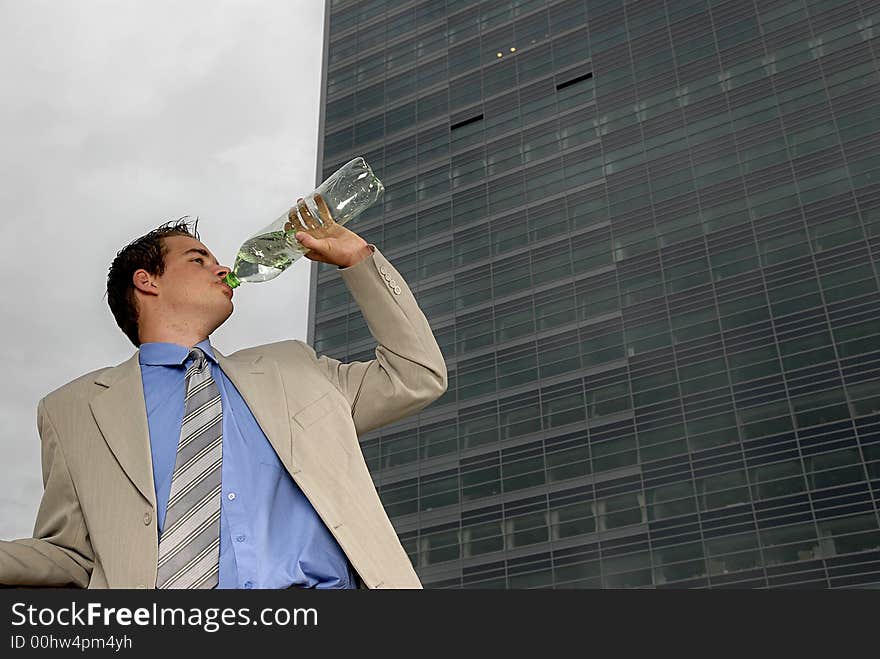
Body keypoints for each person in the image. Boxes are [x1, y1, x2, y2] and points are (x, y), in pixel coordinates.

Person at [0, 216, 446, 589]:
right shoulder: (73, 410)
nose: (222, 269)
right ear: (146, 281)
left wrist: (357, 262)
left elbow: (416, 375)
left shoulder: (295, 368)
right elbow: (71, 556)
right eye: (198, 259)